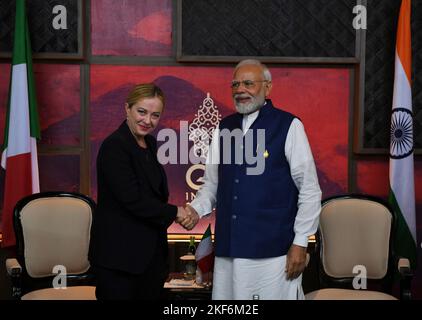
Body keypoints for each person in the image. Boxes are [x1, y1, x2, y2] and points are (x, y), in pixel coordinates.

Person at [181, 59, 322, 300]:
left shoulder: (289, 126)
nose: (240, 89)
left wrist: (300, 242)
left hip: (273, 252)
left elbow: (309, 190)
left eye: (248, 83)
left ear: (268, 87)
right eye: (235, 84)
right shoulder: (223, 128)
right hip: (229, 250)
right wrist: (195, 210)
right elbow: (211, 186)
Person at [89, 83, 190, 300]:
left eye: (155, 115)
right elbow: (132, 200)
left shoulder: (150, 144)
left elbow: (155, 193)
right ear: (127, 108)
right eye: (141, 112)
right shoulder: (114, 146)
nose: (148, 120)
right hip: (119, 260)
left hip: (149, 258)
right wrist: (176, 213)